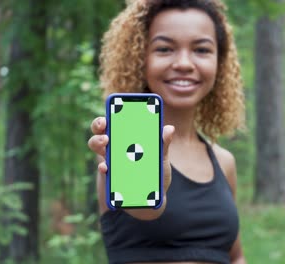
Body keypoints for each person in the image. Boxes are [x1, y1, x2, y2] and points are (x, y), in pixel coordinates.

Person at [87, 0, 246, 263]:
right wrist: (156, 183)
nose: (184, 63)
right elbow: (143, 210)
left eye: (201, 49)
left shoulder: (224, 162)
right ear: (139, 58)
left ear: (220, 62)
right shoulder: (118, 147)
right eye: (164, 48)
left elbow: (235, 256)